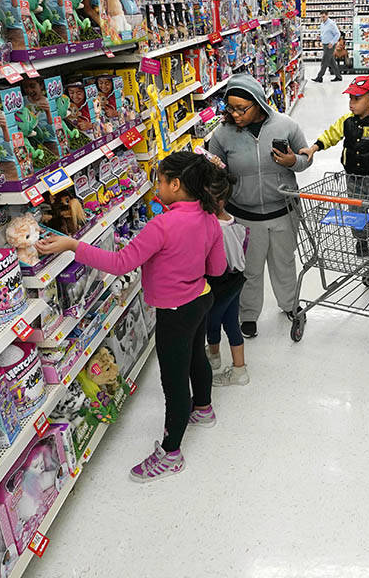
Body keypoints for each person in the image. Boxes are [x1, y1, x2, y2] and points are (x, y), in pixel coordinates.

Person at [36, 151, 228, 483]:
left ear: (176, 184)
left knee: (173, 382)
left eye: (160, 180)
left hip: (174, 311)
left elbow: (120, 264)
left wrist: (72, 245)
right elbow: (217, 269)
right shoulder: (209, 218)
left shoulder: (162, 224)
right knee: (198, 357)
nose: (156, 186)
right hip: (201, 300)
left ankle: (171, 453)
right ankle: (204, 408)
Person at [207, 74, 312, 338]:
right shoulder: (222, 134)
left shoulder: (286, 125)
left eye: (242, 108)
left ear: (259, 103)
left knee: (284, 262)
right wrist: (215, 174)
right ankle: (249, 314)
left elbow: (305, 157)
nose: (236, 114)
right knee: (249, 268)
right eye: (230, 108)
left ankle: (289, 304)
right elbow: (218, 175)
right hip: (243, 214)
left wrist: (292, 162)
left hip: (283, 211)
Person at [298, 75, 369, 256]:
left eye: (357, 99)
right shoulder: (346, 121)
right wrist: (314, 147)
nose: (351, 103)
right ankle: (361, 240)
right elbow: (331, 135)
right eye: (350, 98)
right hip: (352, 177)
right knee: (356, 211)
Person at [204, 153, 251, 387]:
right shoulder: (231, 220)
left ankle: (215, 358)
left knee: (211, 321)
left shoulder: (216, 229)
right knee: (231, 322)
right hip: (235, 280)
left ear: (218, 202)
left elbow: (217, 262)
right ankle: (235, 368)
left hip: (220, 283)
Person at [314, 11, 342, 82]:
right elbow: (325, 34)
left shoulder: (331, 24)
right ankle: (338, 77)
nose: (322, 18)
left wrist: (332, 43)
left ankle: (319, 77)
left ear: (327, 15)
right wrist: (320, 37)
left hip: (330, 45)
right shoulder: (322, 24)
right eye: (321, 17)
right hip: (324, 44)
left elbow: (337, 34)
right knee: (331, 61)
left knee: (324, 61)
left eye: (323, 17)